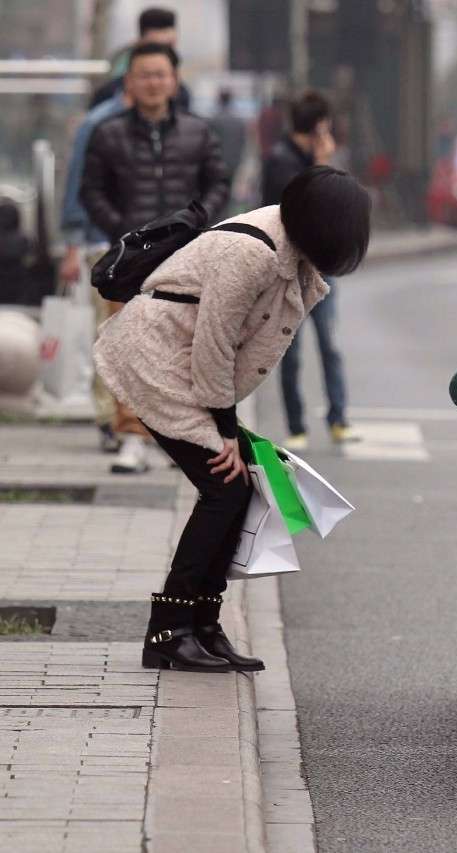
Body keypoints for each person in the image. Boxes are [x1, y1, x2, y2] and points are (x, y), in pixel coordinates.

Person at [93, 166, 371, 672]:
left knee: (237, 489)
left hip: (185, 368)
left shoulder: (290, 250)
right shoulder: (251, 252)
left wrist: (227, 427)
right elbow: (215, 343)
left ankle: (203, 625)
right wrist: (224, 430)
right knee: (224, 488)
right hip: (156, 360)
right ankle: (168, 631)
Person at [81, 43, 229, 474]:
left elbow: (219, 183)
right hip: (130, 259)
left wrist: (197, 220)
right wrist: (121, 228)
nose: (153, 82)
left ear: (174, 80)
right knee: (127, 349)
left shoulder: (198, 132)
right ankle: (131, 437)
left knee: (182, 349)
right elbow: (91, 191)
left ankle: (178, 439)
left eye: (160, 74)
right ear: (129, 82)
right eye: (144, 74)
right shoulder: (107, 134)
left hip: (185, 257)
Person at [261, 91, 359, 450]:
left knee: (330, 345)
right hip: (290, 268)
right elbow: (305, 206)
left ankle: (338, 418)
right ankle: (296, 425)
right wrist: (320, 163)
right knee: (290, 348)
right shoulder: (280, 160)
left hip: (321, 265)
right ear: (320, 126)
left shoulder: (312, 157)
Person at [60, 86, 131, 454]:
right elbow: (78, 185)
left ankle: (138, 422)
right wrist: (73, 246)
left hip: (150, 244)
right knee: (109, 333)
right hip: (103, 243)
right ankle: (110, 419)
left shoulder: (171, 123)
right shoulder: (98, 122)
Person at [89, 7, 192, 112]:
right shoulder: (110, 93)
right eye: (155, 47)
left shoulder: (182, 95)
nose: (154, 83)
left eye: (170, 47)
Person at [209, 89, 247, 185]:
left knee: (217, 187)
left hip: (217, 162)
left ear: (219, 100)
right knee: (229, 186)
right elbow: (242, 142)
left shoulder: (214, 120)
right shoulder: (239, 121)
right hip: (233, 161)